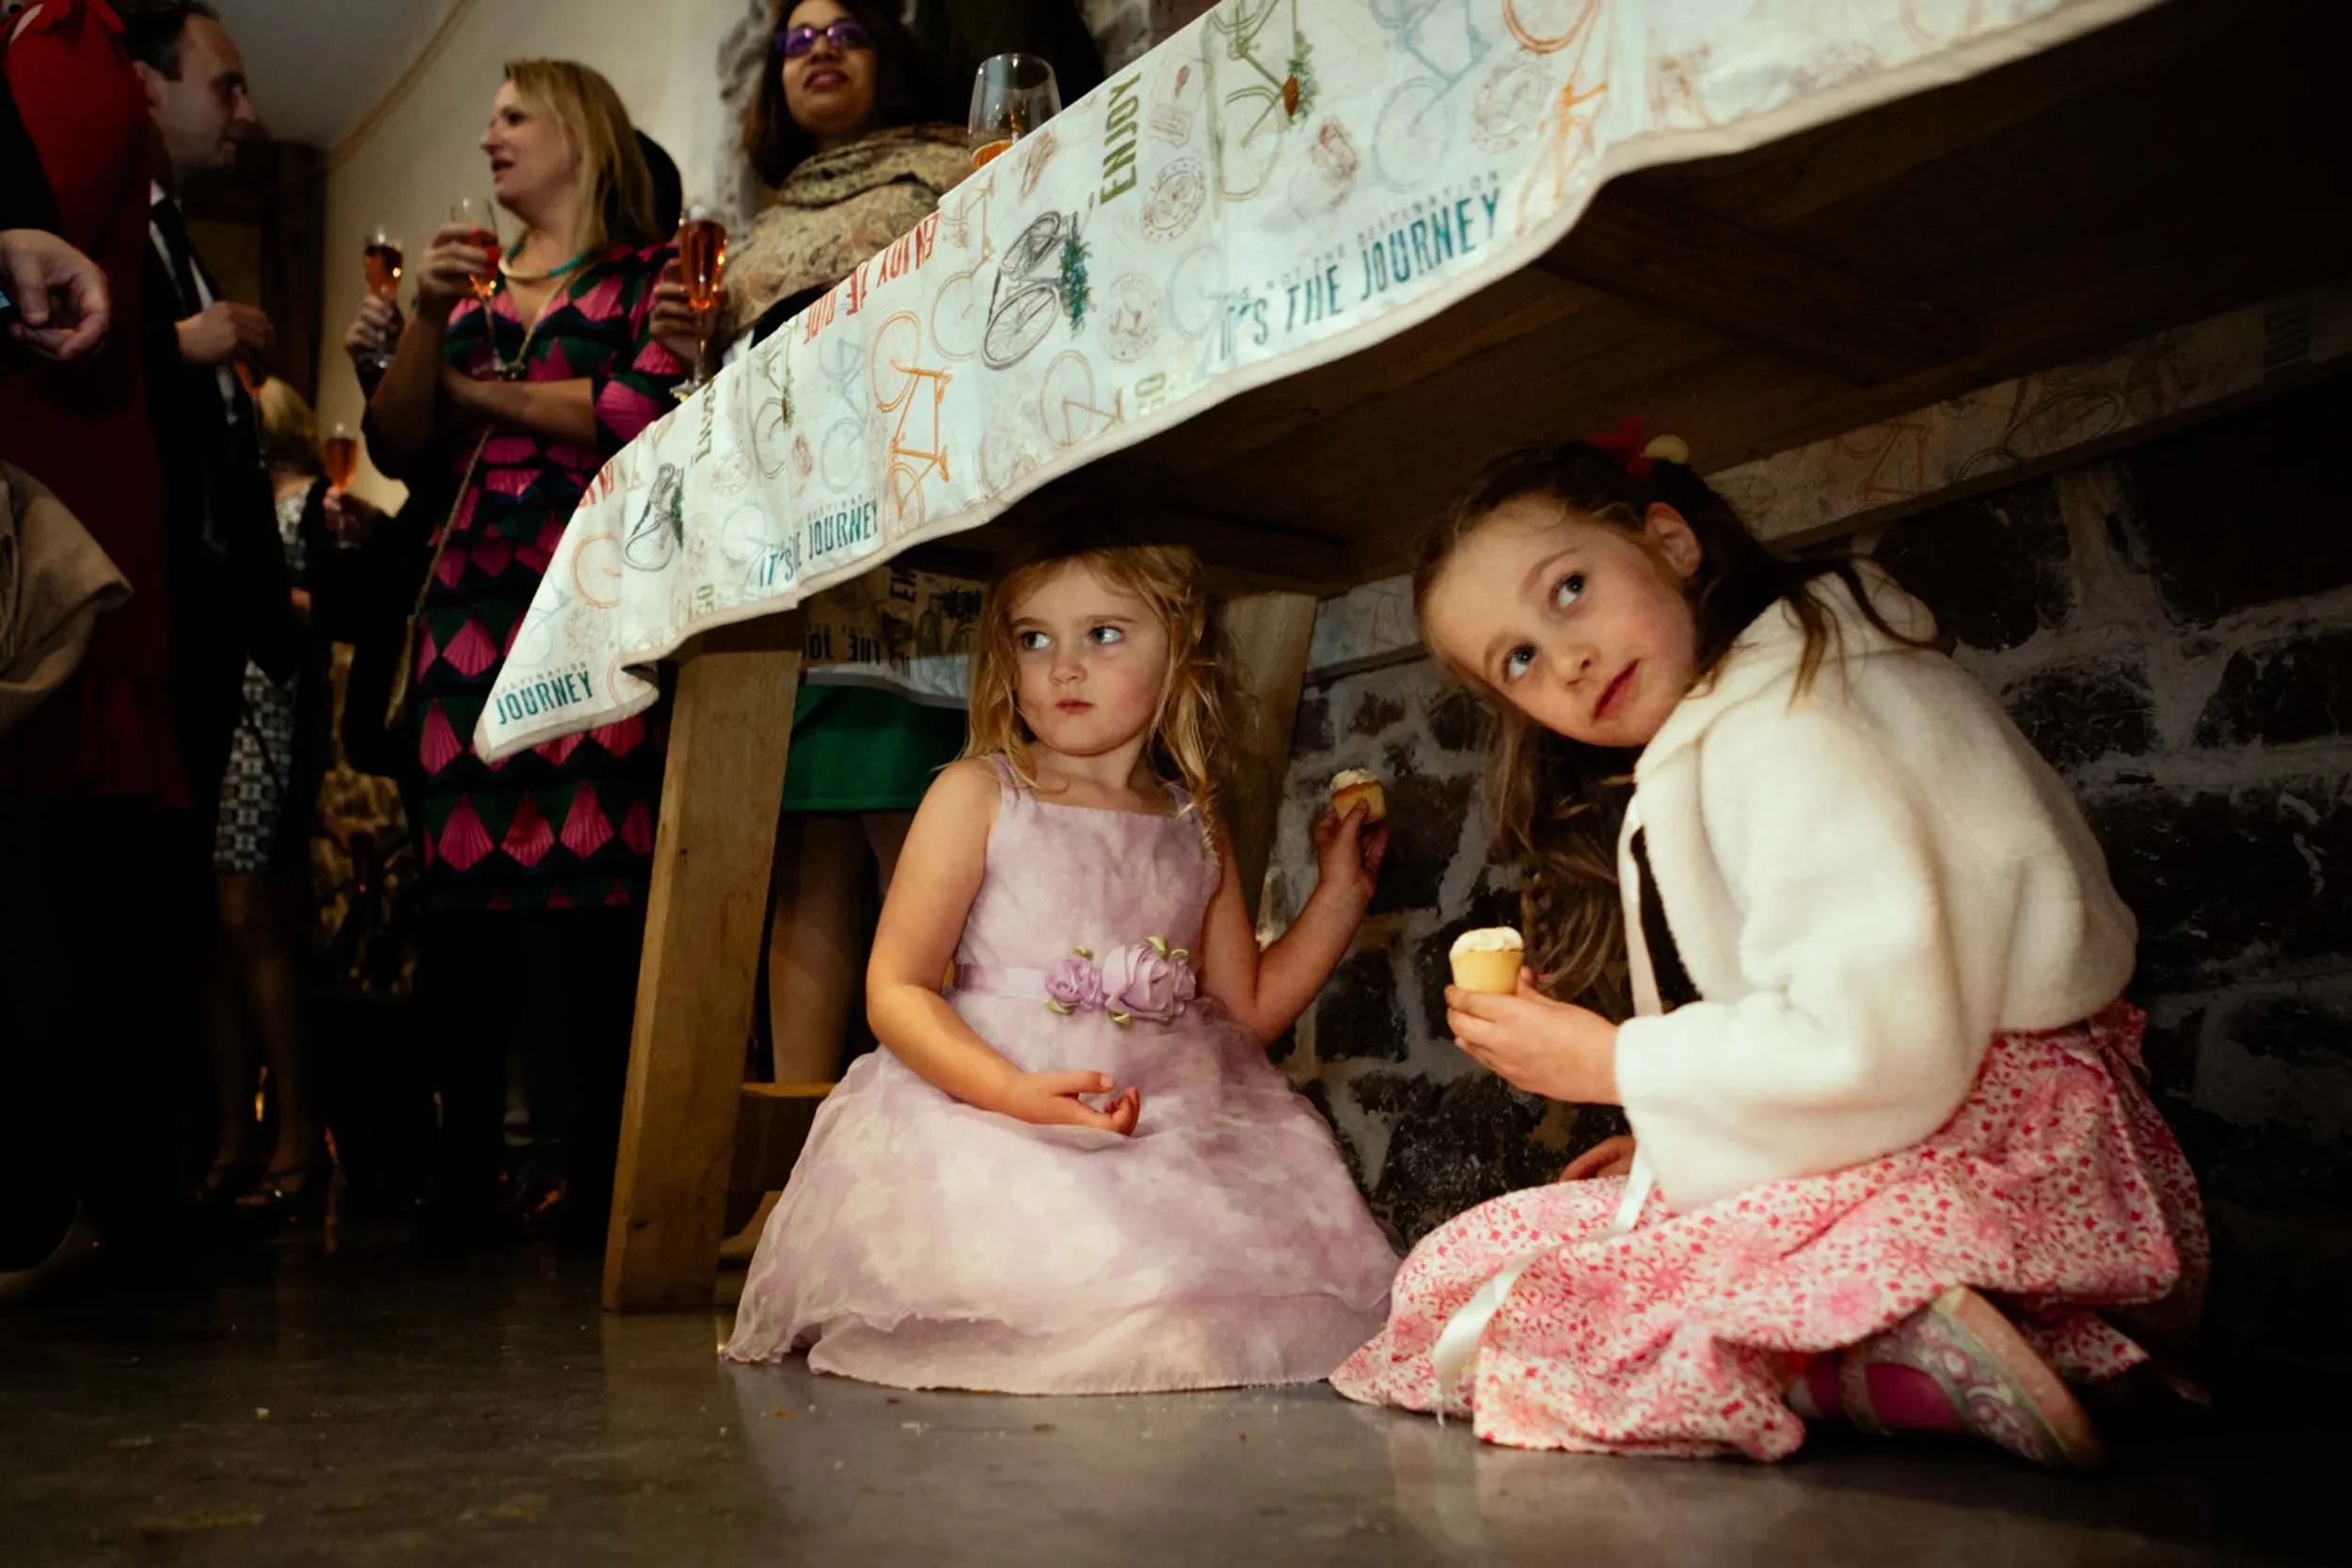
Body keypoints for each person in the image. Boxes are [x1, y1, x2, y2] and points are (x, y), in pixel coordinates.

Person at [1330, 433, 2208, 1466]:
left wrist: (1610, 1064)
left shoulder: (1787, 726)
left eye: (1567, 588)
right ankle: (1984, 1342)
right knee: (1513, 1250)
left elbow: (1873, 1043)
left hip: (1992, 1161)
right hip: (2047, 1160)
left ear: (1668, 539)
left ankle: (1862, 1351)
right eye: (1518, 658)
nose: (1561, 657)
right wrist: (1674, 1140)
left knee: (1472, 1282)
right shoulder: (1790, 687)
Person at [723, 531, 1401, 1391]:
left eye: (1103, 634)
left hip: (1171, 1122)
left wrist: (1341, 894)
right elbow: (895, 987)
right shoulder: (977, 793)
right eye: (1034, 639)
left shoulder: (1196, 824)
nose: (1062, 668)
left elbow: (1248, 1013)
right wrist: (1012, 1094)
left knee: (1217, 1297)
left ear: (1182, 652)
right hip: (991, 1112)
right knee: (1092, 1283)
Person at [365, 59, 683, 1238]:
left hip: (594, 591)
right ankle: (464, 1182)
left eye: (513, 117)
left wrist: (475, 395)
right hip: (468, 610)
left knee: (600, 887)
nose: (489, 136)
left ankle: (606, 1175)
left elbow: (637, 410)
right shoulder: (468, 292)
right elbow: (400, 440)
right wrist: (432, 329)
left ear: (580, 133)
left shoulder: (652, 273)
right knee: (466, 899)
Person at [653, 0, 975, 1085]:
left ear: (896, 55)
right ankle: (799, 1153)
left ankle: (969, 1125)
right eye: (796, 39)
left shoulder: (954, 168)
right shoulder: (755, 228)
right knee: (806, 845)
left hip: (904, 541)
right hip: (780, 561)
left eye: (846, 31)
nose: (819, 50)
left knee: (907, 822)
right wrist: (689, 354)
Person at [1, 0, 193, 1298]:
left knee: (53, 855)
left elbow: (38, 252)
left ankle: (51, 1195)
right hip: (70, 470)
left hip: (42, 491)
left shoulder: (63, 41)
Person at [121, 0, 300, 833]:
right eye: (226, 88)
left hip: (205, 653)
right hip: (133, 645)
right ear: (146, 88)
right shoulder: (95, 221)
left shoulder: (176, 238)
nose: (248, 114)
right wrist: (180, 343)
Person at [199, 377, 345, 1220]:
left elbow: (335, 615)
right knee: (216, 929)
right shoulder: (225, 504)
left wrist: (256, 597)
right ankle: (234, 1132)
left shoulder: (303, 507)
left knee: (252, 914)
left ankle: (296, 1128)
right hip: (219, 712)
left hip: (269, 716)